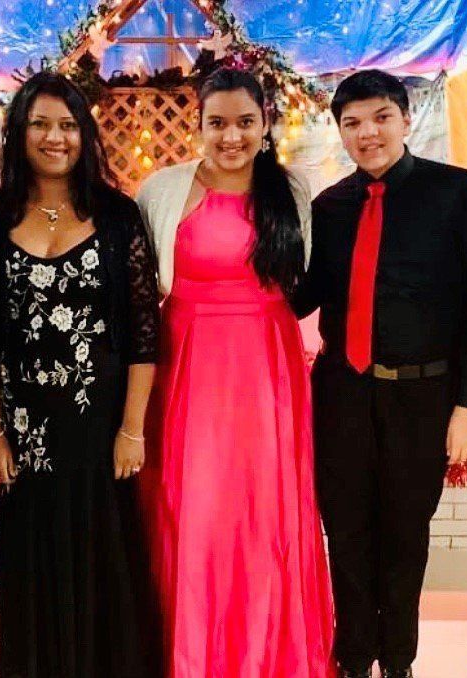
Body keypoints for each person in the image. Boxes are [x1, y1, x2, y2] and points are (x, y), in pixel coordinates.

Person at [294, 69, 467, 678]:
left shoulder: (459, 193)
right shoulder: (329, 206)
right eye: (351, 123)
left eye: (380, 117)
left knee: (406, 538)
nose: (367, 133)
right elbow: (305, 296)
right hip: (343, 394)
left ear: (405, 120)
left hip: (424, 395)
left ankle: (399, 661)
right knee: (347, 535)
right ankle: (354, 658)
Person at [135, 67, 335, 677]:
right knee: (189, 508)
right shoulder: (161, 190)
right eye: (217, 123)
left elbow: (309, 283)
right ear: (196, 124)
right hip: (184, 366)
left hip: (266, 366)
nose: (231, 136)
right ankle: (188, 653)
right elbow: (142, 291)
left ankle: (267, 653)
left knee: (263, 511)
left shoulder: (294, 191)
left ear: (265, 123)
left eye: (245, 122)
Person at [0, 71, 161, 677]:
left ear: (86, 134)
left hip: (100, 431)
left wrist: (132, 429)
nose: (56, 137)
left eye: (69, 124)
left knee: (107, 564)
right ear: (19, 133)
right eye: (41, 124)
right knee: (34, 564)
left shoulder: (118, 215)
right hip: (26, 434)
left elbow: (142, 335)